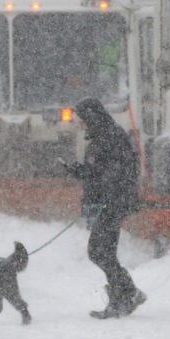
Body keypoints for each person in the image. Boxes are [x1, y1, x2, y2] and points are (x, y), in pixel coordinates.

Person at [64, 97, 146, 319]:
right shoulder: (104, 137)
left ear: (91, 118)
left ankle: (126, 294)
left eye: (81, 120)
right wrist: (79, 172)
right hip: (109, 203)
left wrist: (106, 196)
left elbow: (115, 174)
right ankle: (125, 295)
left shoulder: (110, 137)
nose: (79, 124)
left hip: (112, 204)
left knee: (99, 252)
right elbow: (99, 173)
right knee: (103, 253)